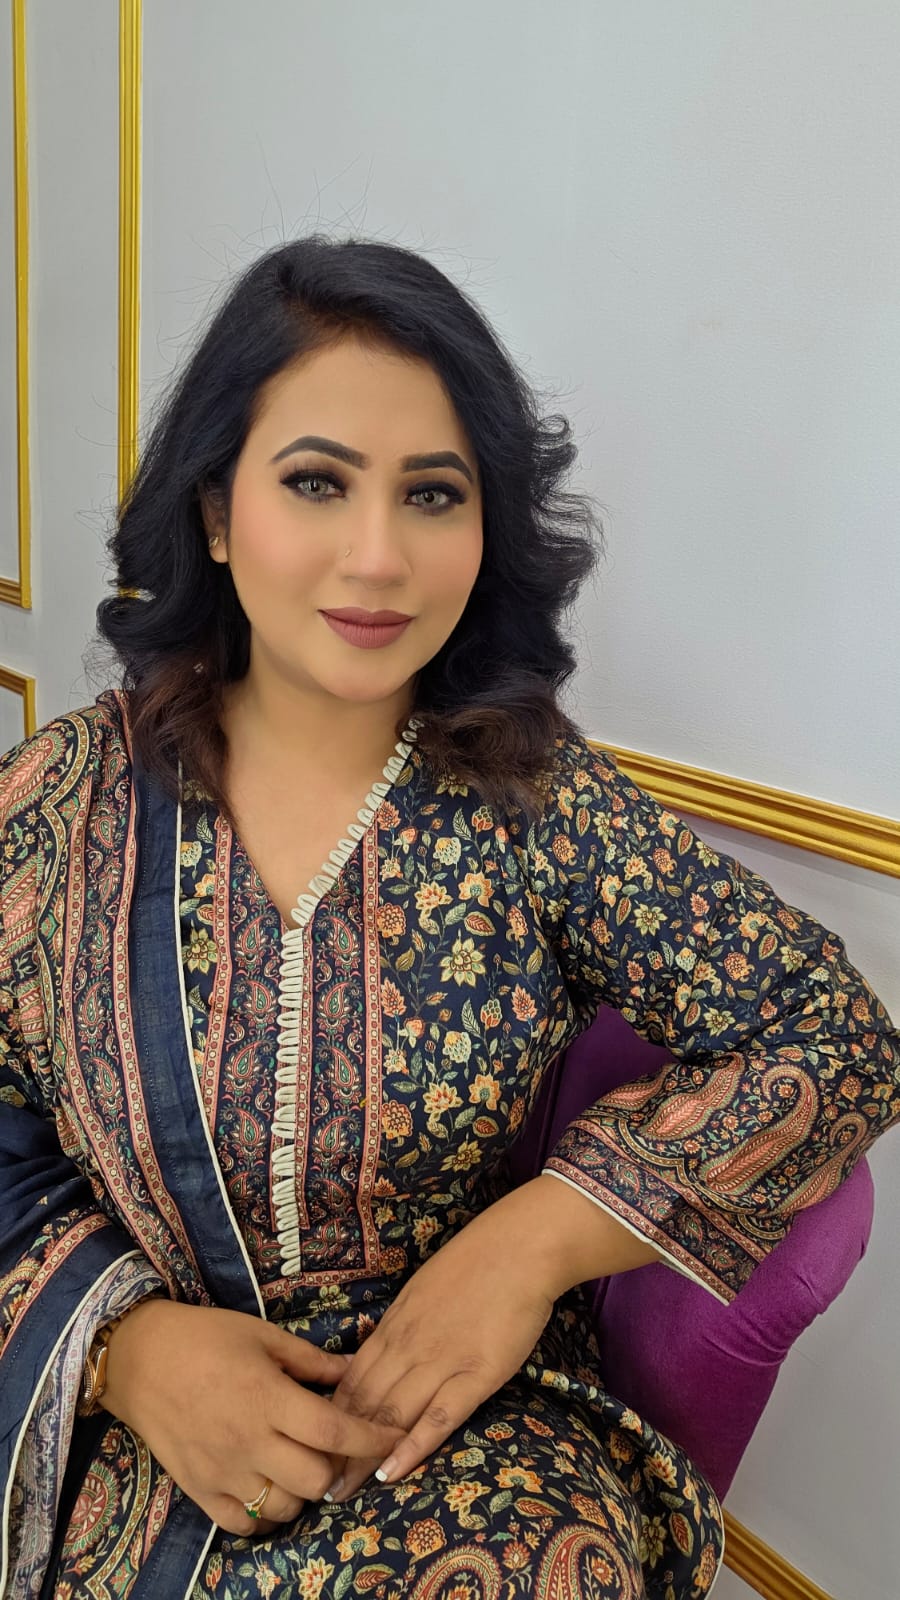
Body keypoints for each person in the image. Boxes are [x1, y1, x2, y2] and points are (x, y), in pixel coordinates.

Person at [0, 236, 896, 1600]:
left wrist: (531, 1246)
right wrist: (123, 1348)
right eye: (317, 482)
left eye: (432, 493)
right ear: (218, 512)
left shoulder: (530, 796)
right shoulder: (61, 799)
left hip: (454, 1438)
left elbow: (831, 1034)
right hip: (120, 1431)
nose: (379, 557)